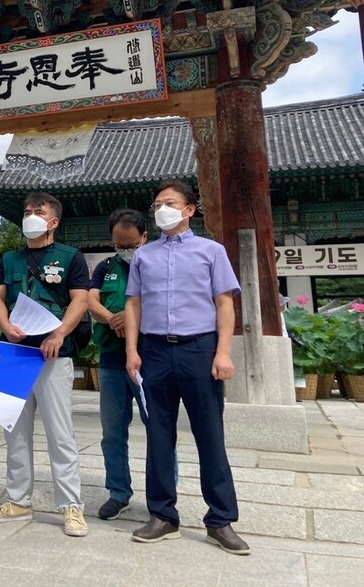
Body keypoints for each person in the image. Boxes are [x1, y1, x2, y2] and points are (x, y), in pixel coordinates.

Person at [125, 179, 250, 555]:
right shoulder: (143, 256)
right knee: (159, 435)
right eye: (157, 203)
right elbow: (133, 304)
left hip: (199, 349)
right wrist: (132, 351)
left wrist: (223, 352)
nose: (161, 208)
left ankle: (220, 520)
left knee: (209, 433)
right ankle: (163, 515)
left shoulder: (211, 251)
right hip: (155, 352)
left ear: (189, 210)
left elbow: (225, 303)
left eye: (170, 202)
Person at [0, 192, 90, 537]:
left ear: (53, 221)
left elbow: (80, 300)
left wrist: (59, 334)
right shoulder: (9, 259)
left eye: (38, 211)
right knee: (14, 431)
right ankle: (18, 500)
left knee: (60, 434)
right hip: (16, 354)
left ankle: (71, 507)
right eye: (27, 211)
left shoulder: (71, 257)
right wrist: (5, 327)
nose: (30, 215)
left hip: (52, 355)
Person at [88, 208, 151, 520]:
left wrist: (130, 318)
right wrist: (112, 319)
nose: (125, 250)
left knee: (159, 428)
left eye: (131, 244)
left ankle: (162, 492)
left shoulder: (155, 264)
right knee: (112, 430)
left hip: (148, 359)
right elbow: (91, 300)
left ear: (144, 238)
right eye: (119, 244)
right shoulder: (105, 267)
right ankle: (118, 491)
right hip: (111, 359)